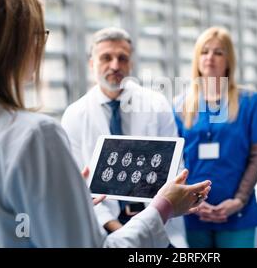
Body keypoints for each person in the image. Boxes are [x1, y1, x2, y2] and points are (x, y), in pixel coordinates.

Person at [0, 0, 211, 247]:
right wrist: (164, 206)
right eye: (39, 35)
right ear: (13, 45)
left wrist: (70, 197)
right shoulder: (34, 135)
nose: (41, 46)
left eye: (122, 57)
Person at [61, 27, 188, 247]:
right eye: (106, 58)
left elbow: (174, 166)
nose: (115, 65)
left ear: (131, 64)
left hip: (158, 219)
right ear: (92, 64)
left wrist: (152, 218)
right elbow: (75, 182)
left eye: (122, 58)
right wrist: (119, 229)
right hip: (104, 225)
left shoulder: (156, 104)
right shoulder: (74, 114)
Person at [174, 26, 257, 248]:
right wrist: (191, 201)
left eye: (218, 52)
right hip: (192, 213)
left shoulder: (250, 101)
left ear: (229, 59)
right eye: (205, 51)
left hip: (238, 213)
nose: (210, 57)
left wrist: (238, 200)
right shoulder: (180, 105)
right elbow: (174, 160)